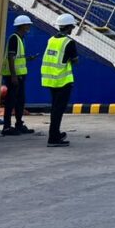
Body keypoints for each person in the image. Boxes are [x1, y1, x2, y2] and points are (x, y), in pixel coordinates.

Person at [42, 13, 80, 148]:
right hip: (63, 81)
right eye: (72, 27)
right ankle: (53, 138)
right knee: (58, 110)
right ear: (68, 27)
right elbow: (75, 61)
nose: (73, 29)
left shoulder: (51, 40)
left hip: (51, 80)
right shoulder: (69, 42)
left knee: (55, 109)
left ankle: (55, 133)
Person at [2, 15, 35, 136]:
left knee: (20, 101)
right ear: (22, 26)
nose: (29, 26)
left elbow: (17, 58)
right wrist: (13, 76)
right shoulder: (14, 39)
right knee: (11, 101)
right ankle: (6, 127)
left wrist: (28, 59)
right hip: (13, 77)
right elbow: (11, 57)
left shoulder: (21, 38)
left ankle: (19, 124)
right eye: (27, 24)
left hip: (20, 75)